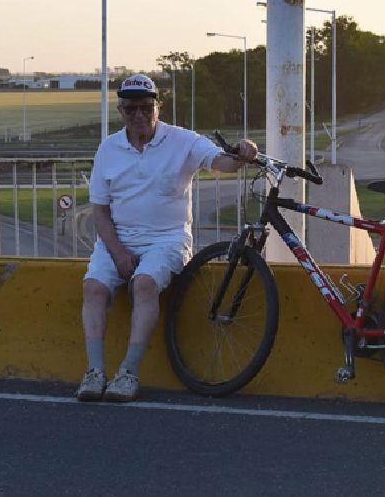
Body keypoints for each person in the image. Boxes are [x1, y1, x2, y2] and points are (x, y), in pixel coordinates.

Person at [76, 73, 257, 402]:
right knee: (93, 288)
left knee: (144, 284)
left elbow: (220, 162)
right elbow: (100, 211)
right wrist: (118, 253)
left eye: (146, 108)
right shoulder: (109, 148)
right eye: (131, 109)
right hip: (118, 238)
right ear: (121, 111)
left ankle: (128, 373)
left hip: (167, 239)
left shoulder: (183, 140)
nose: (139, 115)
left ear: (159, 106)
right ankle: (94, 372)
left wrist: (244, 153)